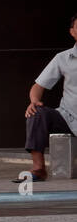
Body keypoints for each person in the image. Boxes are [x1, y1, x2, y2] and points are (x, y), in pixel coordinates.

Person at [14, 12, 77, 183]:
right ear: (72, 31)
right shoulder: (62, 58)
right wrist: (34, 101)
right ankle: (38, 168)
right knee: (37, 112)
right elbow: (38, 86)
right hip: (67, 116)